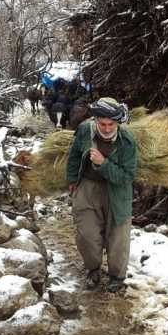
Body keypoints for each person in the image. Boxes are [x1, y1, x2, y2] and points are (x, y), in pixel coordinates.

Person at [65, 97, 137, 292]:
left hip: (117, 191)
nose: (106, 128)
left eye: (110, 124)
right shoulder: (84, 130)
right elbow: (73, 155)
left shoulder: (127, 142)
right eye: (102, 124)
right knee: (86, 234)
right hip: (88, 187)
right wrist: (72, 179)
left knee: (118, 236)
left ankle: (117, 277)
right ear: (95, 120)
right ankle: (93, 269)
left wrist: (103, 164)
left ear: (117, 123)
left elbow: (127, 177)